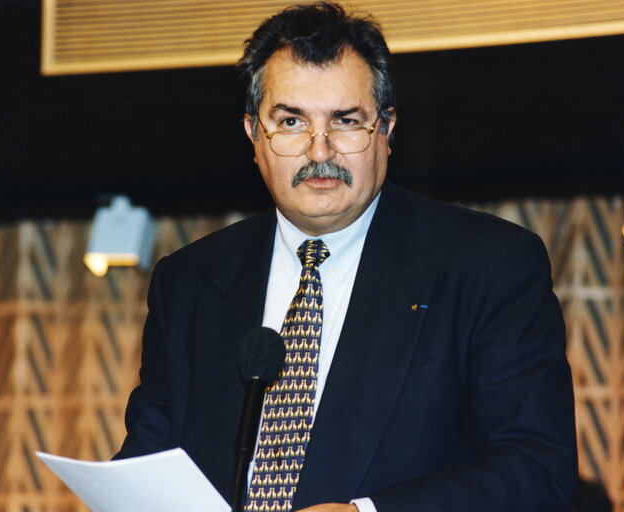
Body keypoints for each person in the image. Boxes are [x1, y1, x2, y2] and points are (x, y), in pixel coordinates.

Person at [114, 2, 578, 511]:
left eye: (346, 120)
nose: (320, 150)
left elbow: (536, 473)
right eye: (291, 121)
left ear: (387, 129)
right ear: (254, 135)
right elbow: (148, 463)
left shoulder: (487, 267)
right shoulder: (189, 283)